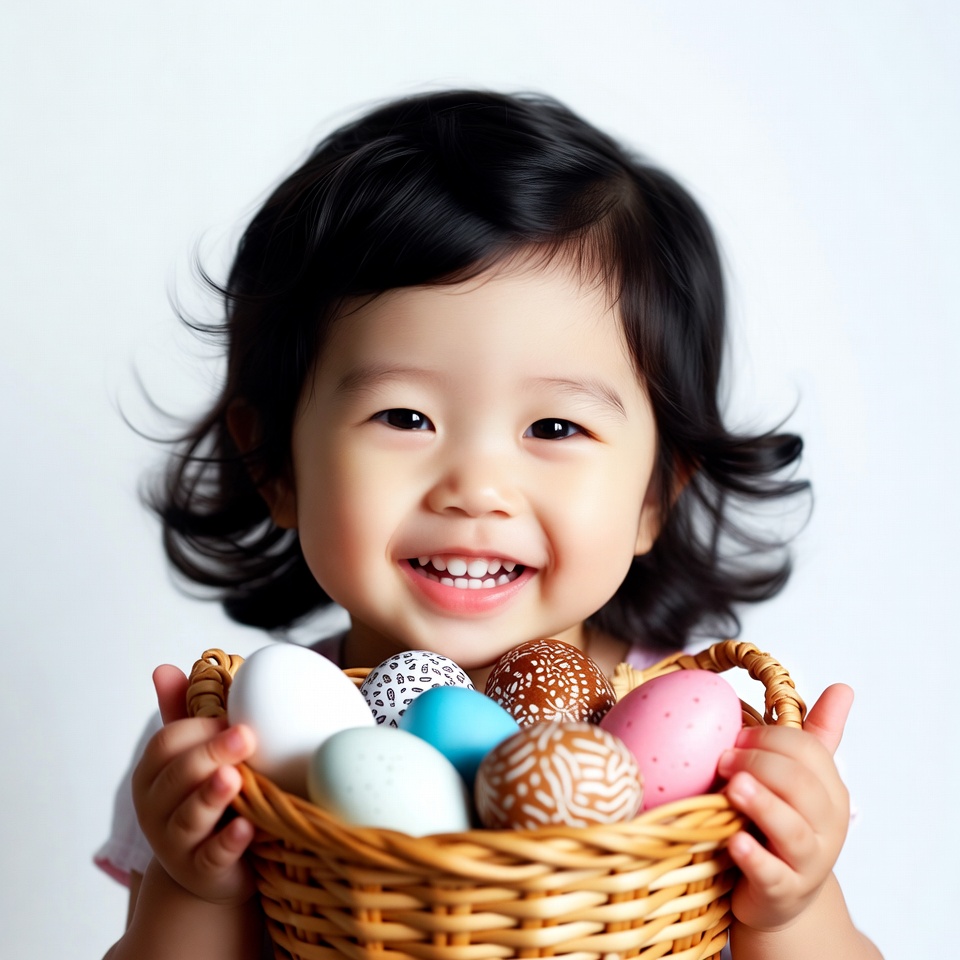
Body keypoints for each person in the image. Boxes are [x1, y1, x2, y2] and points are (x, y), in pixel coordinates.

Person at [98, 89, 882, 960]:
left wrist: (794, 909)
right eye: (403, 417)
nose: (477, 489)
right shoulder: (231, 749)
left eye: (554, 428)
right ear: (277, 467)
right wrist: (193, 887)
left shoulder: (717, 750)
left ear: (655, 496)